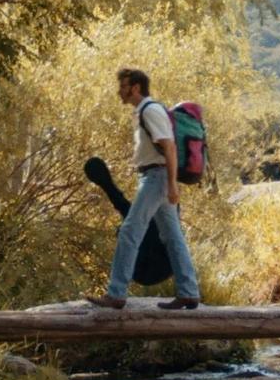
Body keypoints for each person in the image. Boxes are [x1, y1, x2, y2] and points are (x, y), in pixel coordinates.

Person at [86, 68, 201, 310]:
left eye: (123, 86)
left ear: (135, 87)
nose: (120, 91)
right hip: (155, 177)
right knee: (172, 236)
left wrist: (171, 185)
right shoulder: (145, 112)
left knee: (130, 230)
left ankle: (116, 294)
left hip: (157, 178)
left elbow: (169, 148)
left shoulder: (151, 111)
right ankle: (189, 292)